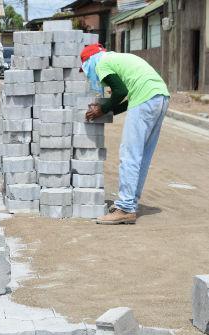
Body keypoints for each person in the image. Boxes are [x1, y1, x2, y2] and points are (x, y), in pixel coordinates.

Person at [80, 44, 170, 225]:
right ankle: (130, 203)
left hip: (146, 97)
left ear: (89, 61)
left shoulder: (101, 64)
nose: (86, 74)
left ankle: (126, 208)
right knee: (141, 156)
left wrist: (102, 108)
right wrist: (107, 111)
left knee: (129, 155)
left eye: (84, 70)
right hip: (160, 97)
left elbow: (120, 92)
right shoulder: (116, 59)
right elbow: (128, 98)